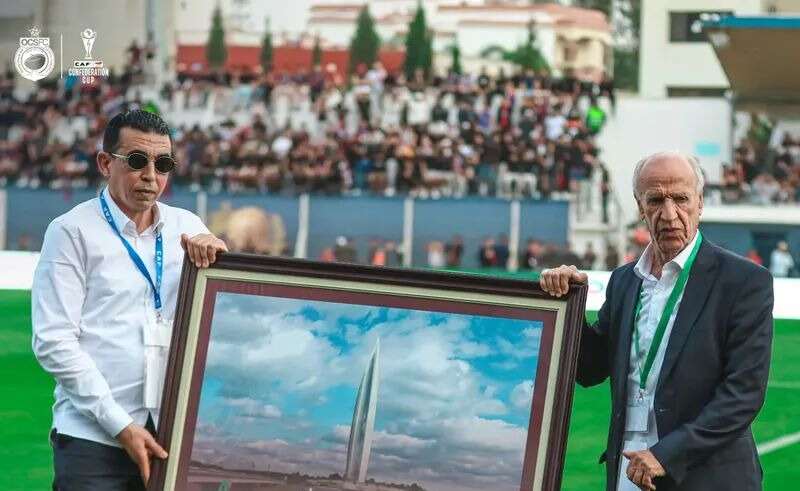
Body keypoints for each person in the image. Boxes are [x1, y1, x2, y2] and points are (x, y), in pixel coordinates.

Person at [540, 151, 773, 491]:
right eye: (656, 200)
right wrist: (566, 303)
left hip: (706, 477)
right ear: (640, 207)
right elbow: (590, 369)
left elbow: (744, 394)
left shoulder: (743, 281)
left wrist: (666, 454)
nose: (669, 214)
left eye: (681, 199)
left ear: (700, 203)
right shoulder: (624, 281)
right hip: (628, 471)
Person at [32, 110, 228, 490]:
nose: (151, 175)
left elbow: (221, 320)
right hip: (94, 440)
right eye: (137, 161)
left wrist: (222, 260)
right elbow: (53, 342)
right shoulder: (71, 232)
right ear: (106, 163)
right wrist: (120, 425)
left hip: (172, 436)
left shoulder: (189, 228)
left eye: (163, 164)